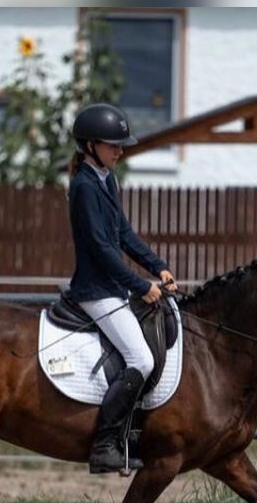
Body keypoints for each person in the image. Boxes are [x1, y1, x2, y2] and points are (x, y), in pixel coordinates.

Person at [66, 103, 177, 474]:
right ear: (91, 145)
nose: (120, 150)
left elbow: (123, 235)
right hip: (96, 290)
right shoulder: (84, 185)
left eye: (121, 144)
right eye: (113, 145)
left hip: (114, 287)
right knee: (142, 360)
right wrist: (140, 284)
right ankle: (104, 445)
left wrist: (158, 267)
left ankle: (129, 431)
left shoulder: (105, 178)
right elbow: (100, 249)